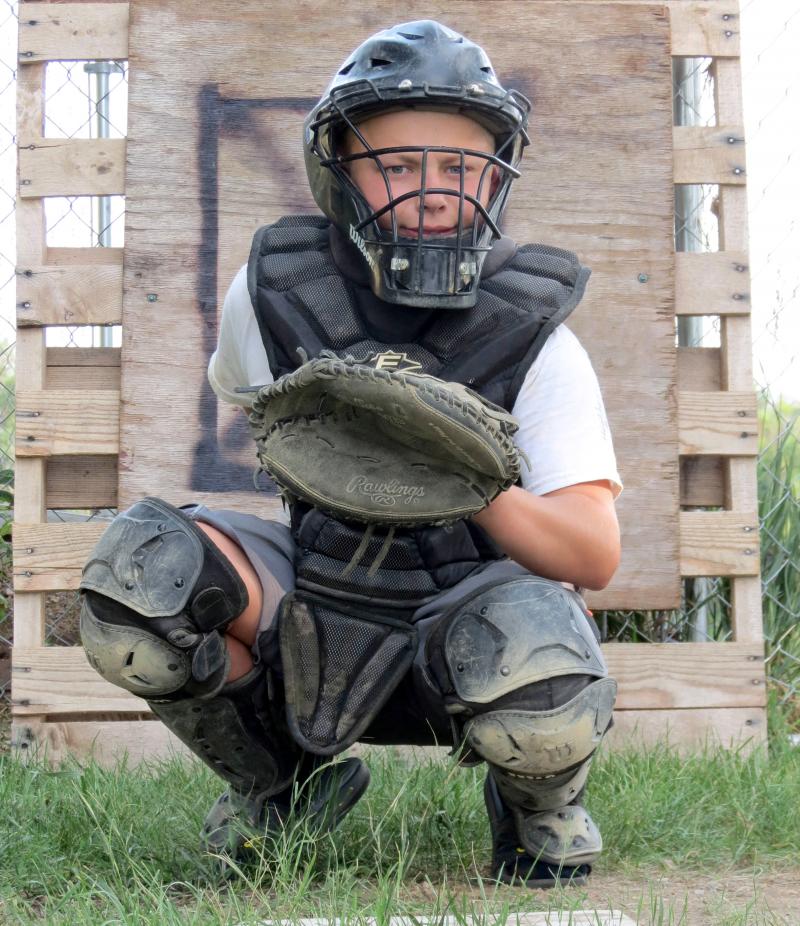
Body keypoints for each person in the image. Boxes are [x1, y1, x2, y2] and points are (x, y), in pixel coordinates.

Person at [79, 20, 622, 888]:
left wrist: (458, 476)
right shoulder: (277, 296)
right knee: (139, 577)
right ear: (338, 167)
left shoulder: (536, 332)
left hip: (464, 619)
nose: (433, 191)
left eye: (460, 165)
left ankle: (537, 809)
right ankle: (279, 790)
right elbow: (263, 421)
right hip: (321, 594)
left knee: (538, 645)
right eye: (397, 164)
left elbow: (592, 556)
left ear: (497, 171)